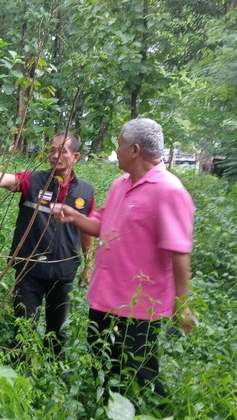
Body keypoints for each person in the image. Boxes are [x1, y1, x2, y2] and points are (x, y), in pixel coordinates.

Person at [50, 118, 196, 396]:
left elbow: (179, 251)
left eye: (119, 144)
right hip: (104, 298)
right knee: (102, 369)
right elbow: (105, 226)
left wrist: (183, 304)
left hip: (139, 307)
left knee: (139, 376)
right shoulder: (121, 184)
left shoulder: (169, 191)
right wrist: (76, 217)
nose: (115, 150)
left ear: (135, 150)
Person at [0, 132, 94, 355]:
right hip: (29, 269)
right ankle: (21, 367)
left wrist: (88, 264)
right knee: (24, 325)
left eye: (61, 151)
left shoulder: (85, 191)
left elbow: (86, 229)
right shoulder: (33, 180)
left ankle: (52, 369)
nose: (54, 156)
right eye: (51, 150)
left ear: (75, 156)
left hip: (64, 271)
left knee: (58, 328)